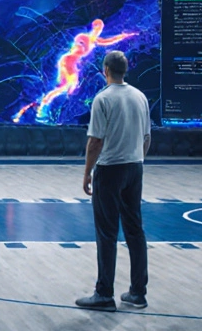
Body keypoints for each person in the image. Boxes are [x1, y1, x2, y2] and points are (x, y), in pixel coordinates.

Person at [76, 50, 151, 312]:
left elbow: (95, 141)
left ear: (105, 70)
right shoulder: (140, 97)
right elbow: (147, 138)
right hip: (135, 168)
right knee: (135, 230)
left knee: (107, 233)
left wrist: (87, 173)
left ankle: (104, 294)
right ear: (125, 70)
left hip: (110, 171)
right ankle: (137, 293)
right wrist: (137, 161)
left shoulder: (103, 99)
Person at [12, 19, 135, 124]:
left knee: (65, 89)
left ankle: (35, 109)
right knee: (65, 88)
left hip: (72, 64)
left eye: (101, 28)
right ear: (94, 27)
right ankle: (40, 109)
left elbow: (110, 41)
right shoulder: (83, 37)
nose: (99, 30)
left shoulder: (95, 41)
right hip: (69, 62)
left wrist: (124, 36)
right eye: (97, 27)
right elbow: (75, 48)